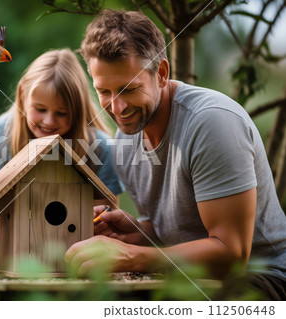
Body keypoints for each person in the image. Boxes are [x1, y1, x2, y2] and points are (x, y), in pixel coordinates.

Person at [65, 9, 286, 300]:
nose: (116, 108)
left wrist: (132, 255)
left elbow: (231, 256)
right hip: (192, 278)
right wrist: (140, 232)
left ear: (162, 74)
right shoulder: (126, 136)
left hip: (259, 280)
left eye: (128, 89)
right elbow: (184, 233)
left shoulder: (212, 123)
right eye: (104, 91)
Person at [0, 48, 123, 241]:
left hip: (71, 238)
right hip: (11, 237)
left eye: (61, 113)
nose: (49, 121)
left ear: (78, 110)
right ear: (23, 95)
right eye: (40, 109)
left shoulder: (100, 147)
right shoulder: (0, 135)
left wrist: (95, 219)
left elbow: (107, 207)